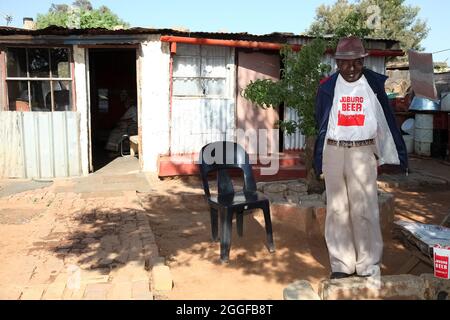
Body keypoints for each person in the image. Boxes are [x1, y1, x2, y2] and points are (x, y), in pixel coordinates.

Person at [313, 36, 408, 279]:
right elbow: (320, 123)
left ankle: (368, 265)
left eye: (357, 63)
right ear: (337, 63)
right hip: (334, 151)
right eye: (346, 63)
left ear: (363, 62)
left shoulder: (373, 85)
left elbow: (384, 119)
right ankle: (342, 265)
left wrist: (387, 151)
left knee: (364, 208)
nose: (352, 68)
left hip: (363, 152)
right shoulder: (327, 88)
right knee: (337, 209)